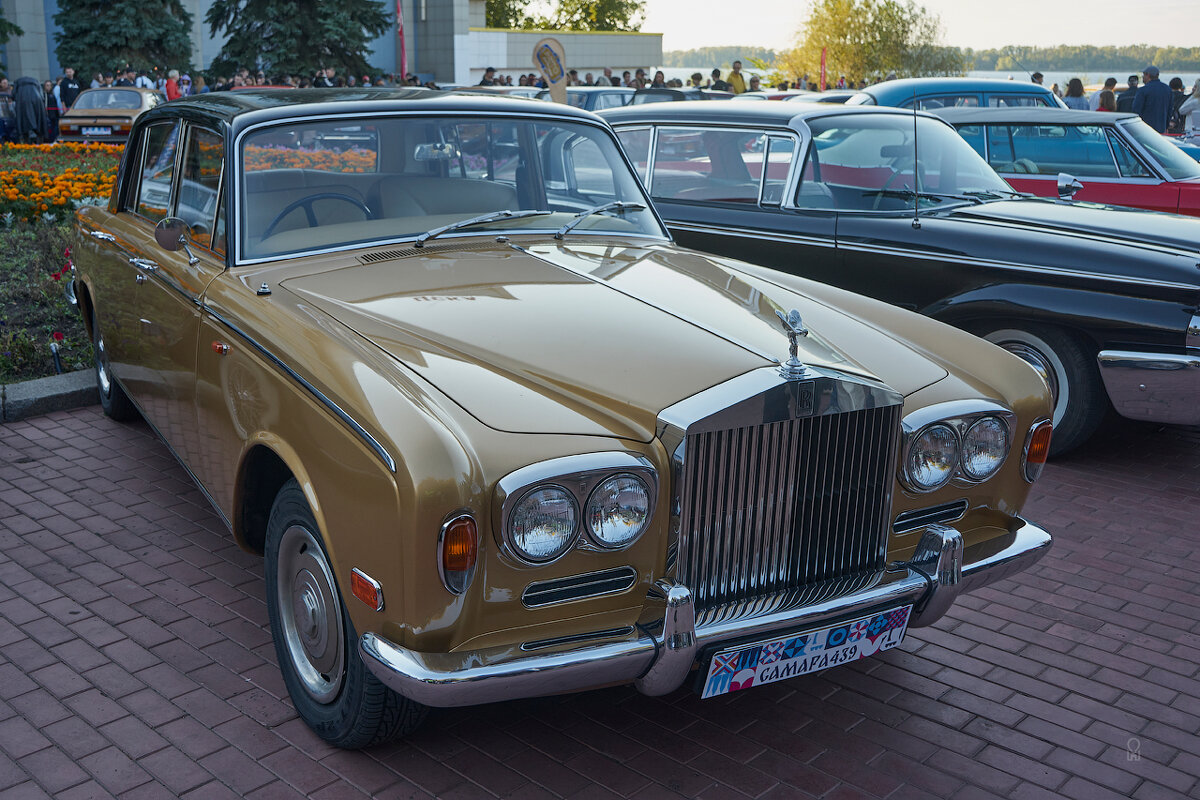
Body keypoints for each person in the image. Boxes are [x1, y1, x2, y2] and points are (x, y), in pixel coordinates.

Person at [1133, 65, 1173, 133]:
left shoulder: (1142, 90)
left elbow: (1136, 110)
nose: (1142, 77)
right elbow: (1170, 110)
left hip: (1145, 129)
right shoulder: (1168, 89)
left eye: (1143, 75)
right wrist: (1166, 126)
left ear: (1148, 75)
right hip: (1161, 128)